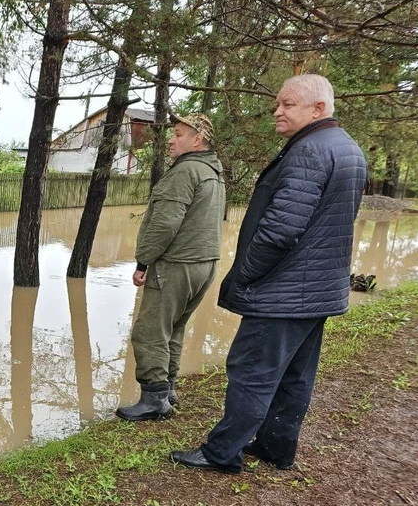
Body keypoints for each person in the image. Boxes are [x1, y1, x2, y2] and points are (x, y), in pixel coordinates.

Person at [171, 74, 367, 474]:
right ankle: (276, 448)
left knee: (252, 371)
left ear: (318, 108)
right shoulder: (346, 148)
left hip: (284, 290)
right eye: (277, 103)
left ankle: (222, 452)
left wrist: (244, 274)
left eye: (287, 104)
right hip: (318, 290)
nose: (277, 111)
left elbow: (280, 230)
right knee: (295, 373)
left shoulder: (310, 151)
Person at [116, 113, 226, 421]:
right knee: (173, 329)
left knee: (150, 331)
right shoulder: (213, 172)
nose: (171, 139)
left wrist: (143, 261)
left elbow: (163, 224)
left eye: (178, 134)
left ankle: (154, 399)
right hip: (205, 264)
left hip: (177, 264)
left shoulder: (185, 171)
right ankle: (168, 391)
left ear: (197, 139)